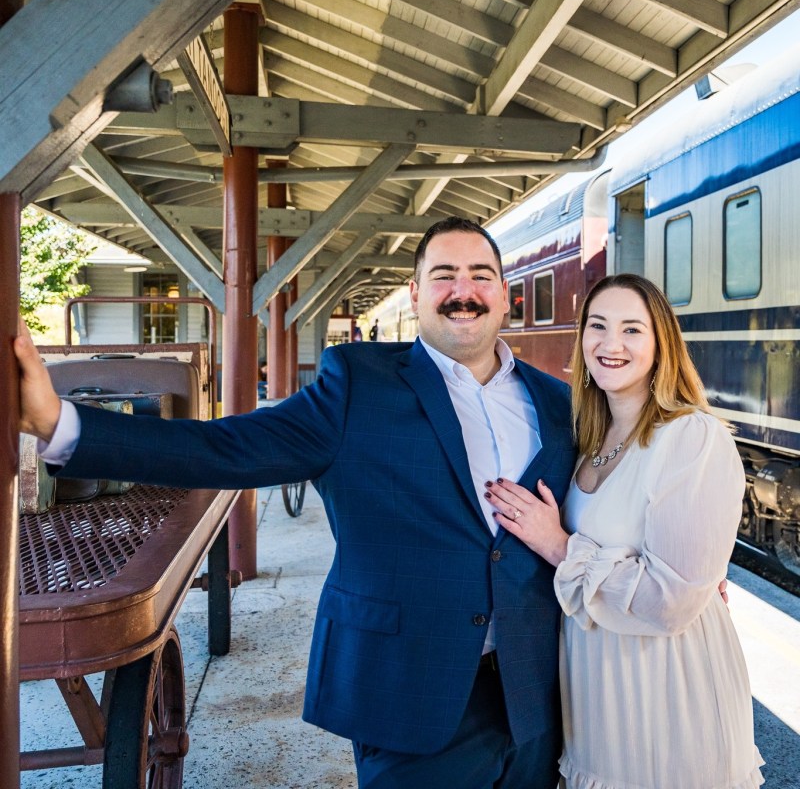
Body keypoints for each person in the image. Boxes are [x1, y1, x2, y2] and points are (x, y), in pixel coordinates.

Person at [16, 217, 576, 789]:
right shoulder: (358, 384)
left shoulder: (560, 403)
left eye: (480, 275)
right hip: (409, 690)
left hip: (533, 695)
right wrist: (58, 423)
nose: (464, 291)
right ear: (415, 293)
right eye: (444, 275)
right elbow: (224, 448)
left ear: (504, 292)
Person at [484, 274, 764, 789]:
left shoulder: (690, 437)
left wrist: (557, 545)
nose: (610, 344)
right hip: (598, 686)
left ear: (661, 345)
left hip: (665, 685)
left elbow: (668, 602)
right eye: (598, 326)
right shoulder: (590, 439)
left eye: (632, 329)